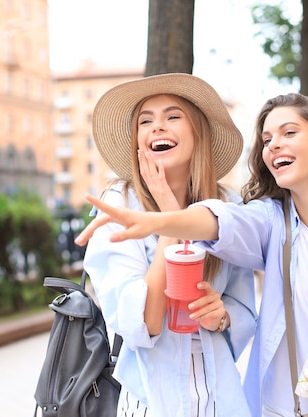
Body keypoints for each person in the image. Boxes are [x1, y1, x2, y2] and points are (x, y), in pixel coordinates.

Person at [76, 92, 308, 417]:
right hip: (265, 407)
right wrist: (166, 221)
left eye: (288, 133)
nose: (274, 145)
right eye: (267, 139)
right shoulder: (269, 221)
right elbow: (221, 223)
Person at [82, 73, 258, 417]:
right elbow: (143, 322)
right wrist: (168, 213)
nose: (157, 127)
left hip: (219, 394)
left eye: (172, 116)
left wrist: (220, 316)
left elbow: (242, 306)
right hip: (150, 397)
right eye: (145, 121)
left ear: (198, 133)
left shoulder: (227, 207)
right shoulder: (119, 205)